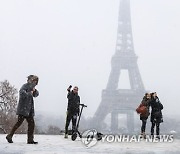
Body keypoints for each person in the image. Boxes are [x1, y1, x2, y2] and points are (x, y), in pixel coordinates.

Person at [6, 75, 39, 144]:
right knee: (19, 123)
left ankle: (30, 140)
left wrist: (34, 91)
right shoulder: (25, 86)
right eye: (35, 81)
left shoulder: (32, 87)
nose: (35, 83)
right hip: (23, 109)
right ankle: (10, 135)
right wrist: (30, 93)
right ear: (31, 80)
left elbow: (36, 95)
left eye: (36, 82)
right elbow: (22, 93)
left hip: (29, 110)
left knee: (31, 124)